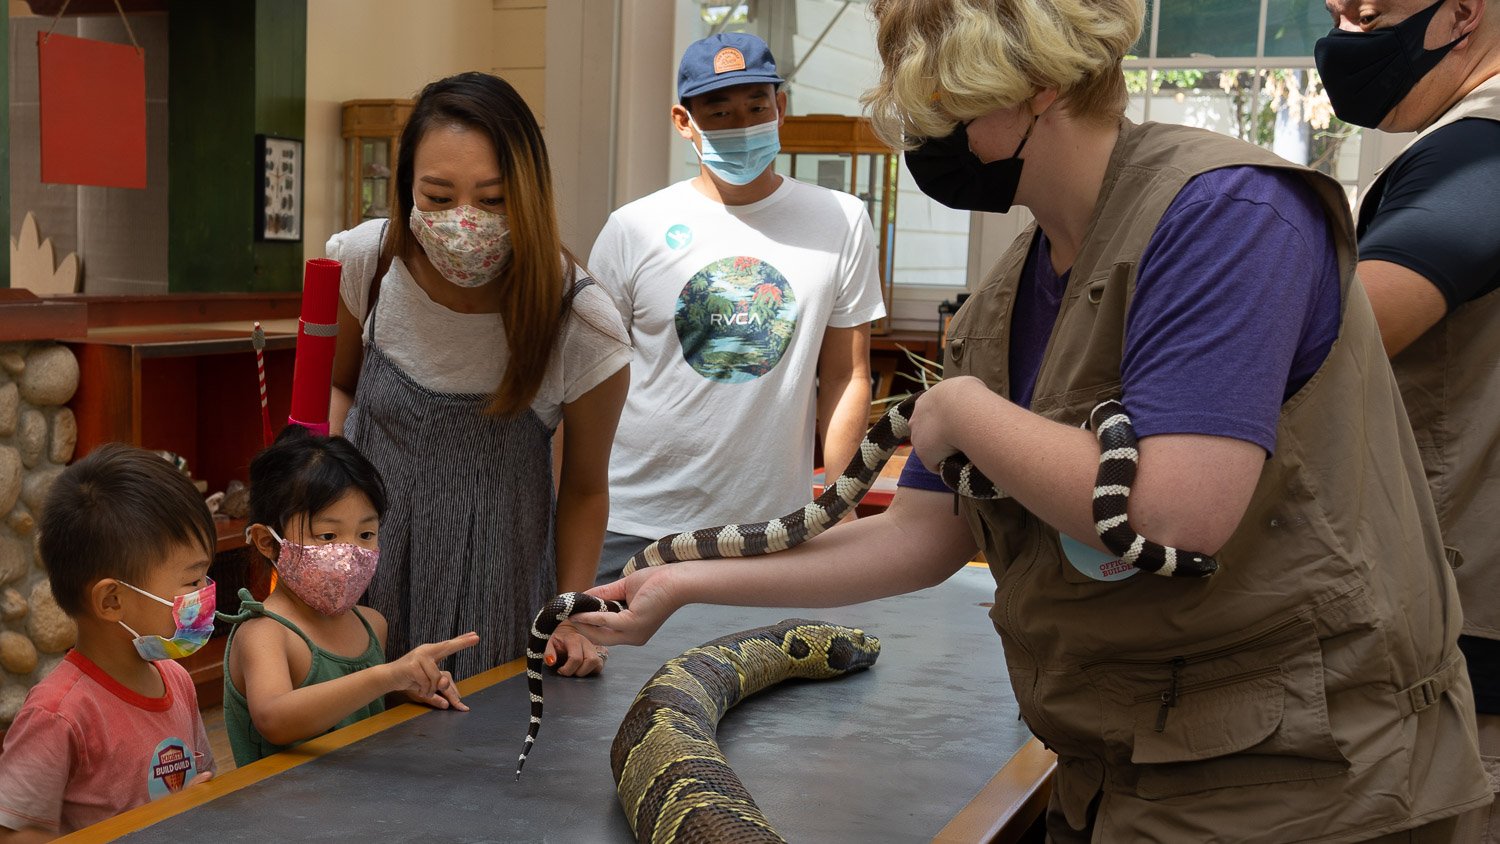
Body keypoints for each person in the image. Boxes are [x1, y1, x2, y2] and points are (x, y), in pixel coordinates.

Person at [575, 0, 1491, 840]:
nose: (928, 140)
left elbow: (1174, 517)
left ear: (1034, 87)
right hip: (1125, 762)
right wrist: (683, 585)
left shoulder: (1228, 213)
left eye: (943, 110)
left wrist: (966, 411)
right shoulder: (1005, 300)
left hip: (1303, 782)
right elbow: (924, 540)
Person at [327, 72, 630, 680]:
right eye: (438, 197)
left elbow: (584, 489)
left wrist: (570, 615)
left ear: (530, 193)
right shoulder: (366, 263)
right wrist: (321, 521)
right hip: (362, 566)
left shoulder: (581, 320)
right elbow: (337, 386)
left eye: (493, 200)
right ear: (407, 184)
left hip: (494, 581)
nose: (464, 222)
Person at [588, 32, 887, 584]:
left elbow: (847, 374)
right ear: (685, 121)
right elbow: (586, 381)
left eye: (757, 107)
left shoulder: (841, 221)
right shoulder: (633, 228)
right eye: (720, 112)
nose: (743, 126)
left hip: (774, 530)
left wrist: (839, 509)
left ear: (781, 108)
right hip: (632, 524)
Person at [1316, 2, 1500, 839]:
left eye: (1369, 12)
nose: (1347, 34)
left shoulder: (1479, 156)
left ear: (1463, 14)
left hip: (1467, 643)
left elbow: (1326, 344)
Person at [221, 426, 480, 766]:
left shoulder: (371, 624)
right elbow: (274, 719)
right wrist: (385, 676)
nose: (351, 551)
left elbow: (356, 713)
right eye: (328, 535)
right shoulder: (265, 632)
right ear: (267, 542)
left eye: (366, 533)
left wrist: (407, 687)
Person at [0, 446, 217, 840]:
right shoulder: (58, 716)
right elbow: (18, 835)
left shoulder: (177, 682)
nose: (205, 594)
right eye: (192, 581)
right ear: (111, 600)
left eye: (204, 577)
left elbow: (201, 786)